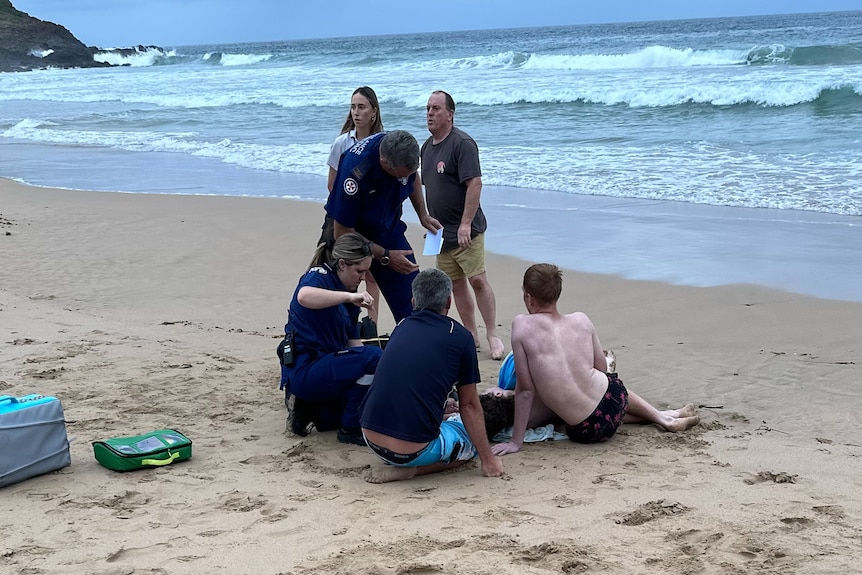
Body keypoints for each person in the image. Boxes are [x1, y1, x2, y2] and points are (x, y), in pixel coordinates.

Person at [491, 263, 700, 456]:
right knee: (606, 391)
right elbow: (602, 370)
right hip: (615, 399)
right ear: (558, 294)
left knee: (576, 410)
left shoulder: (521, 326)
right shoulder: (581, 319)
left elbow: (525, 390)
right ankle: (665, 416)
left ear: (528, 297)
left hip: (590, 429)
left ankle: (667, 417)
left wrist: (515, 442)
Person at [359, 268, 504, 483]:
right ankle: (413, 471)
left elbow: (405, 381)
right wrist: (489, 459)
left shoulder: (401, 326)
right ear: (448, 302)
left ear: (413, 301)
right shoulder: (461, 337)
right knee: (472, 441)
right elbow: (469, 405)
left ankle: (408, 460)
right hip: (411, 452)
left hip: (370, 437)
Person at [421, 90, 504, 360]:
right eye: (428, 108)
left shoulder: (462, 144)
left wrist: (466, 223)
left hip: (467, 229)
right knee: (455, 284)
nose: (430, 113)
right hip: (440, 233)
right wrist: (426, 219)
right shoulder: (426, 148)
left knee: (477, 279)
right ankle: (471, 334)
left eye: (436, 108)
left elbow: (475, 184)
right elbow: (429, 189)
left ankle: (492, 333)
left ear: (450, 114)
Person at [326, 130, 441, 323]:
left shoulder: (402, 155)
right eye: (401, 175)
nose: (406, 177)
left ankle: (414, 340)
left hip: (388, 228)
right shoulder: (355, 172)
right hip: (352, 235)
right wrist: (386, 256)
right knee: (343, 308)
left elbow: (412, 176)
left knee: (415, 301)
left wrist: (423, 214)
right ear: (385, 163)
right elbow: (342, 233)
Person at [279, 232, 382, 446]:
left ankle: (312, 410)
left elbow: (354, 345)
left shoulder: (348, 291)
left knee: (372, 375)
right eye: (359, 271)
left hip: (328, 368)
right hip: (306, 368)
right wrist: (349, 297)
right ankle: (350, 430)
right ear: (342, 264)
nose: (362, 278)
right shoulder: (321, 275)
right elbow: (303, 296)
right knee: (374, 357)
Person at [320, 87, 384, 323]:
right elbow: (332, 186)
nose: (356, 112)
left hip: (370, 220)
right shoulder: (341, 143)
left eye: (361, 107)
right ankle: (345, 320)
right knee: (344, 270)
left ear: (373, 112)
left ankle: (371, 325)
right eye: (353, 107)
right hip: (344, 219)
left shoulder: (381, 143)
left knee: (371, 274)